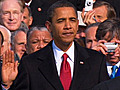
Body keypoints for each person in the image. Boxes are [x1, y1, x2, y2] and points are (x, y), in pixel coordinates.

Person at [2, 1, 109, 90]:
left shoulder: (96, 61)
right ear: (49, 26)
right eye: (61, 21)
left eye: (72, 20)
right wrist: (7, 85)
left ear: (77, 24)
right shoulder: (30, 64)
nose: (67, 26)